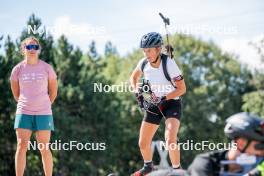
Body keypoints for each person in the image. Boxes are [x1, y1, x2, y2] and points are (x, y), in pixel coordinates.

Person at [130, 32, 186, 176]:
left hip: (171, 103)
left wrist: (165, 97)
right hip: (155, 103)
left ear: (158, 49)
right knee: (143, 142)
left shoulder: (169, 64)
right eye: (144, 50)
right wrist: (137, 92)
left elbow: (182, 89)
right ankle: (148, 166)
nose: (146, 53)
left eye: (149, 50)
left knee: (170, 139)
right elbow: (134, 77)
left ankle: (176, 170)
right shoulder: (143, 63)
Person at [10, 36, 58, 176]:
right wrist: (26, 104)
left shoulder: (47, 68)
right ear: (23, 50)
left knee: (44, 148)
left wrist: (43, 105)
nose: (32, 50)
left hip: (44, 113)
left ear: (38, 50)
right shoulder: (17, 70)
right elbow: (16, 93)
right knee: (21, 145)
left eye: (35, 47)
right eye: (29, 47)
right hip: (23, 111)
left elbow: (53, 92)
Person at [188, 112, 264, 176]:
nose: (262, 151)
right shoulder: (204, 164)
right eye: (260, 146)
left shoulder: (258, 167)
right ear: (241, 143)